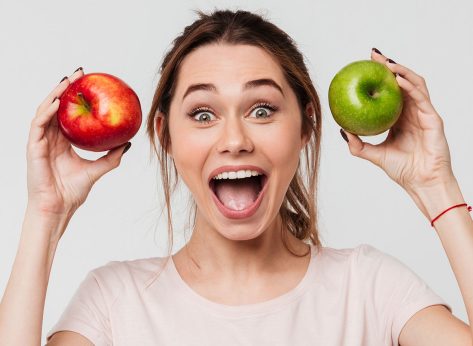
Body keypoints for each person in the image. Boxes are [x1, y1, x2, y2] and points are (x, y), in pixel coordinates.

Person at [0, 8, 472, 346]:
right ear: (165, 135)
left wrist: (436, 187)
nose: (234, 139)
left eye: (262, 109)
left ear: (306, 124)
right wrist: (46, 213)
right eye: (203, 114)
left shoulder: (371, 289)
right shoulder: (113, 304)